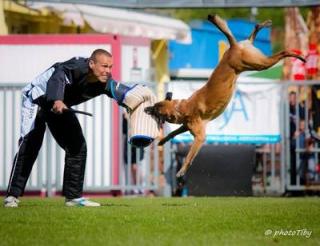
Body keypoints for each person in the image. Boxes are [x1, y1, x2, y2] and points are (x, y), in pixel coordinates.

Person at [4, 49, 137, 207]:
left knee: (77, 146)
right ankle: (12, 196)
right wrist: (57, 99)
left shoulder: (104, 82)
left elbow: (124, 94)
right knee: (30, 145)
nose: (108, 71)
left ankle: (73, 198)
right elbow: (58, 77)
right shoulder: (76, 66)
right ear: (91, 63)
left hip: (59, 106)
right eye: (104, 66)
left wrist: (142, 102)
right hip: (36, 99)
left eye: (110, 67)